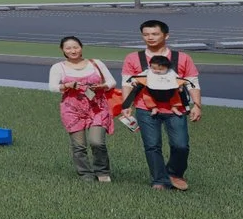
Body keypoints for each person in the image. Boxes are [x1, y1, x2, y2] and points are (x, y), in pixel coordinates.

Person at [118, 19, 203, 190]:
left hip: (176, 108)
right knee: (152, 145)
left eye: (155, 34)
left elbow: (192, 82)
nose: (150, 37)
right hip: (145, 108)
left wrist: (197, 105)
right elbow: (127, 83)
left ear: (166, 35)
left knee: (181, 145)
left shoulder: (182, 58)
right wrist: (126, 106)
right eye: (146, 34)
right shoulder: (133, 58)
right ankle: (159, 180)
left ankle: (174, 173)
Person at [46, 36, 118, 183]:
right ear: (62, 50)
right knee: (79, 146)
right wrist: (66, 85)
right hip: (72, 109)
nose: (73, 50)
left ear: (81, 47)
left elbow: (112, 81)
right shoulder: (58, 67)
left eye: (76, 47)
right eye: (68, 48)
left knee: (97, 142)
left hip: (97, 107)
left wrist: (103, 86)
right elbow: (52, 87)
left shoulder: (96, 63)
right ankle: (85, 174)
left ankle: (102, 171)